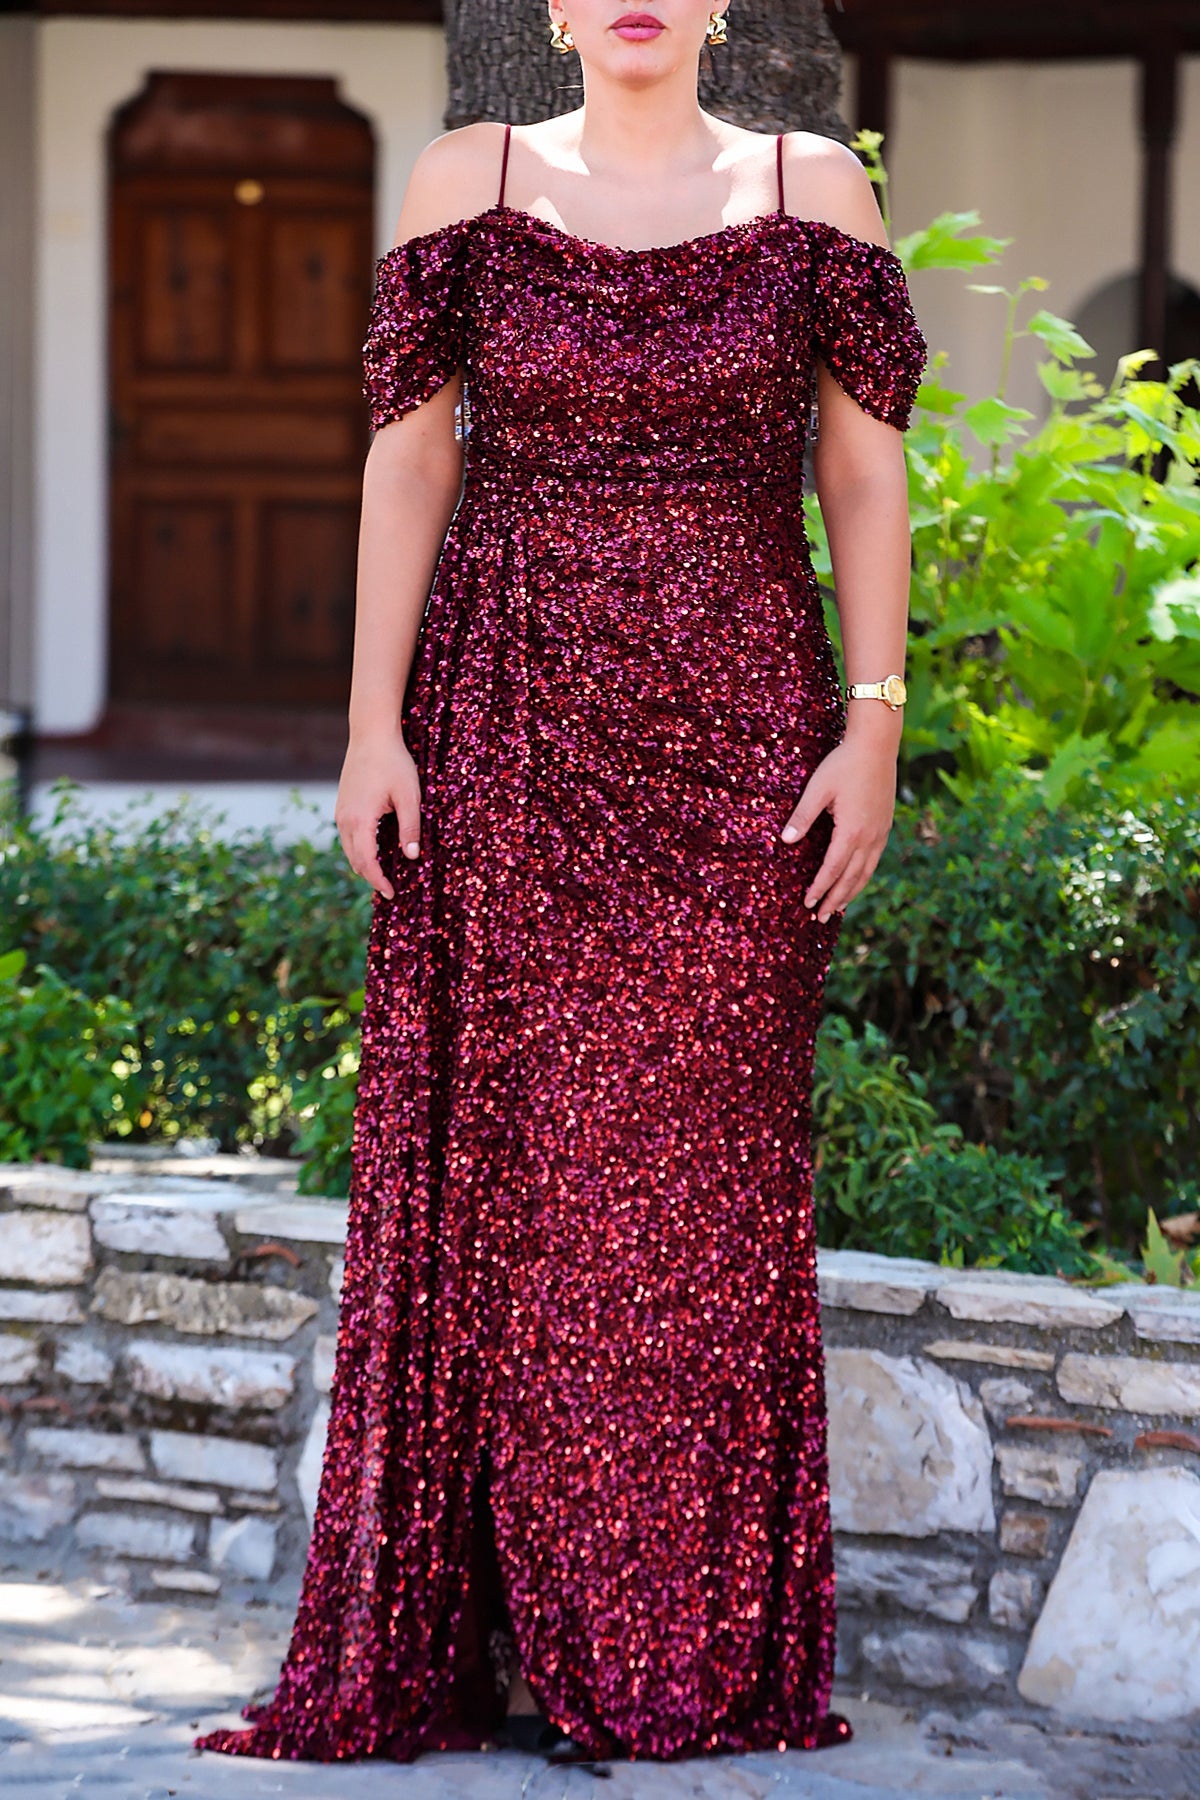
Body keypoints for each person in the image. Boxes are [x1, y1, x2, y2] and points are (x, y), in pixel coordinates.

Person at [194, 0, 926, 1768]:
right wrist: (371, 730)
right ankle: (518, 1631)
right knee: (515, 1182)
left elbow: (860, 466)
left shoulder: (813, 190)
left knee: (705, 1193)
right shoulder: (469, 179)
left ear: (726, 5)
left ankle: (690, 1649)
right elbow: (412, 462)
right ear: (553, 10)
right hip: (506, 724)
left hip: (740, 744)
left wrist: (875, 727)